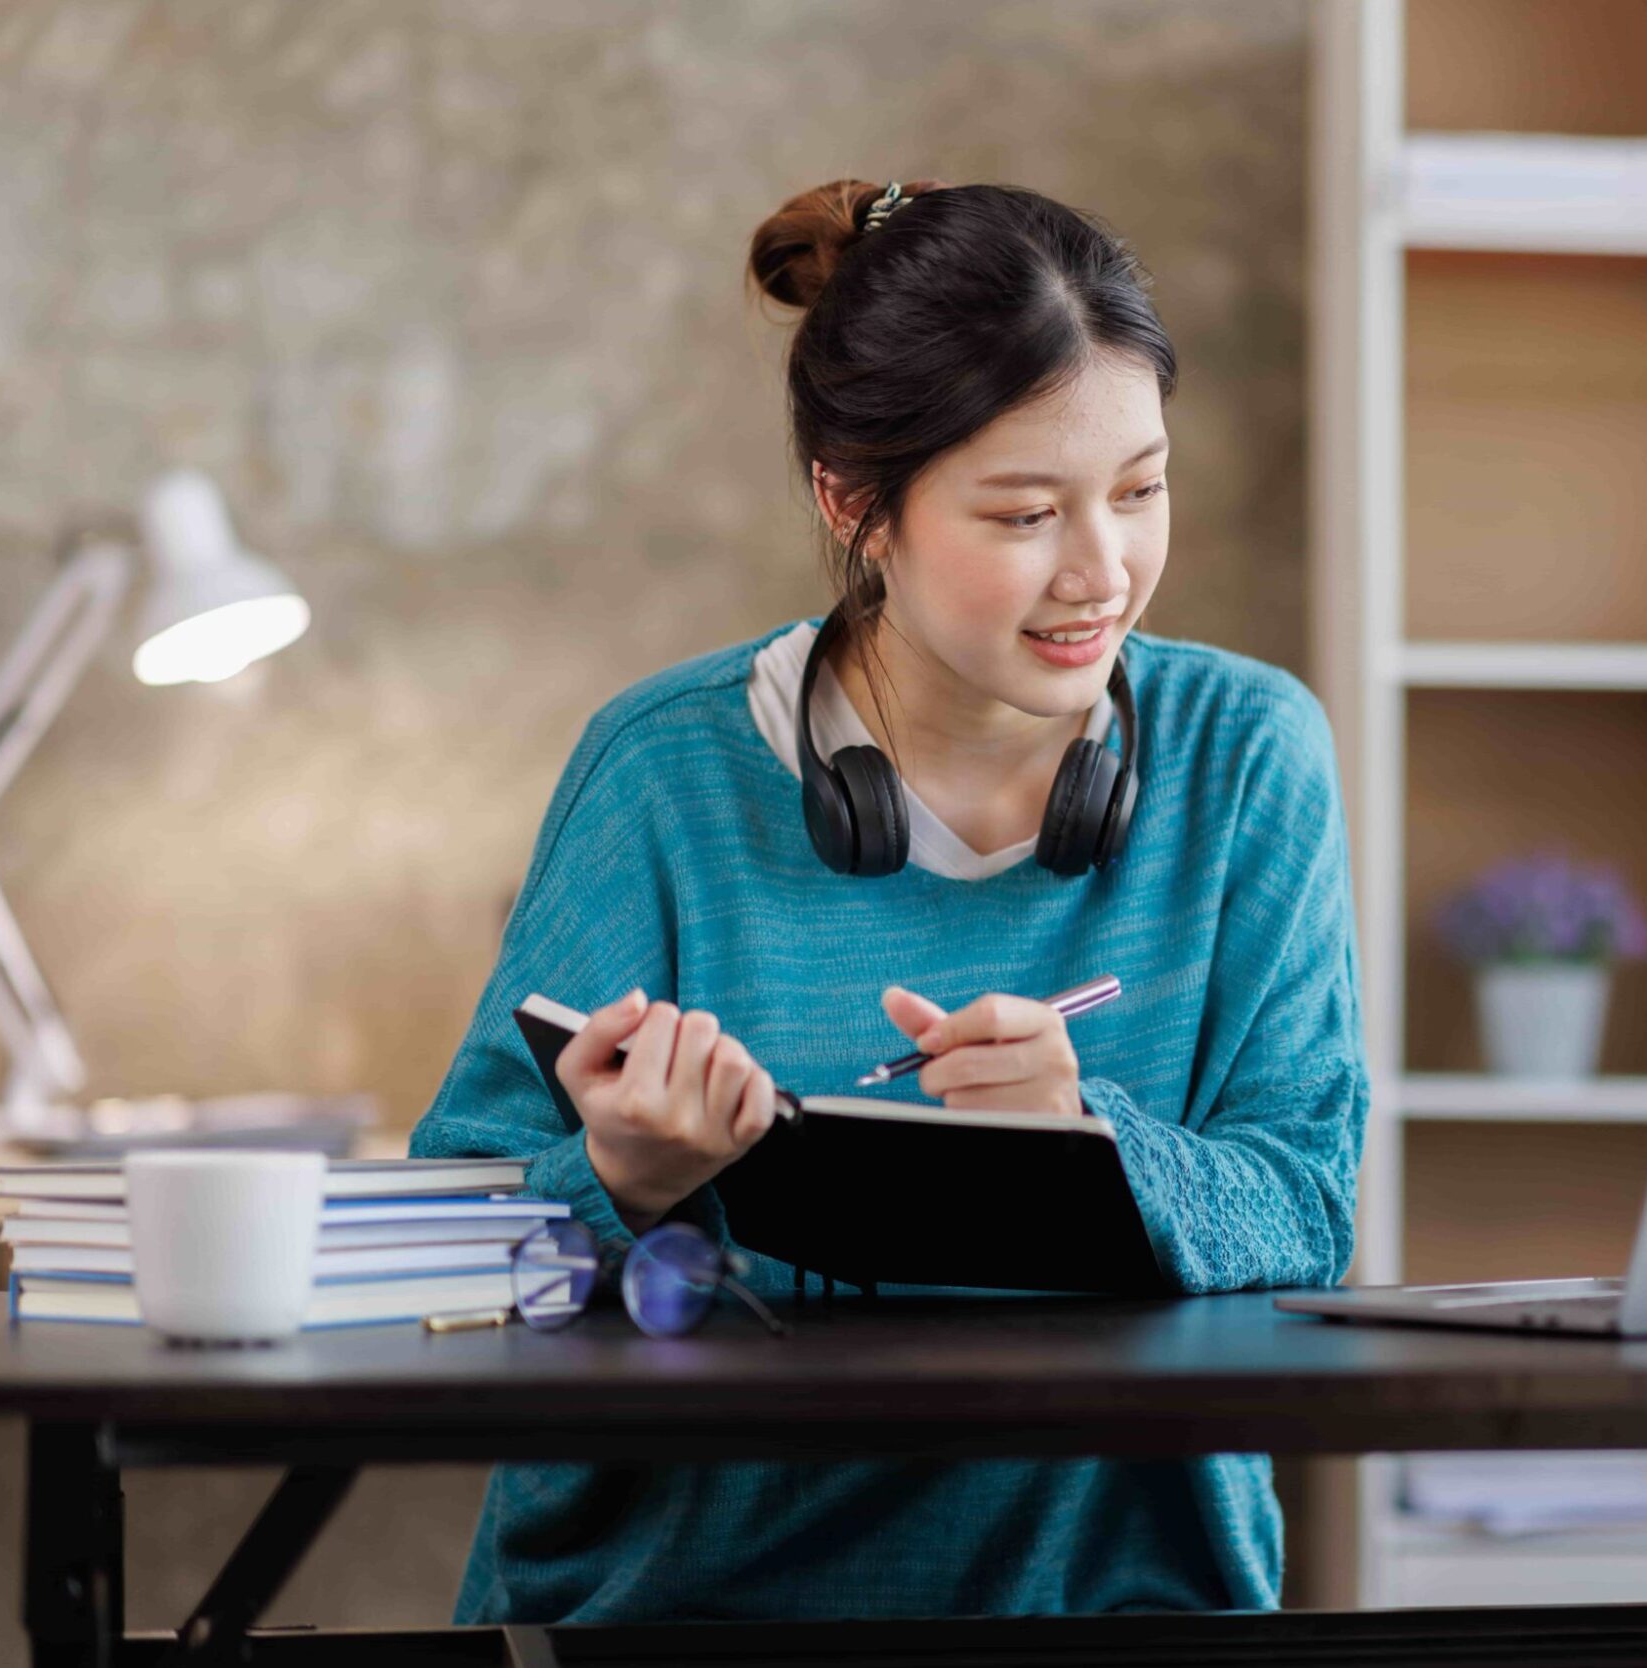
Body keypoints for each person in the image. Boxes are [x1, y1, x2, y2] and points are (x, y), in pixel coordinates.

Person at [409, 177, 1369, 1624]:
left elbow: (1307, 1199)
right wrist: (619, 1181)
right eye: (1025, 512)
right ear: (853, 501)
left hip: (1120, 1616)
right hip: (678, 1618)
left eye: (1142, 488)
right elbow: (443, 1246)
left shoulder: (1250, 756)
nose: (1102, 572)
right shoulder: (661, 771)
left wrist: (1088, 1146)